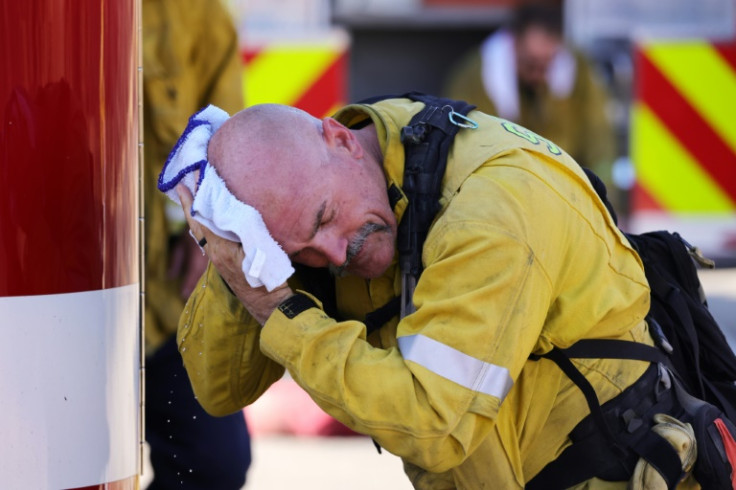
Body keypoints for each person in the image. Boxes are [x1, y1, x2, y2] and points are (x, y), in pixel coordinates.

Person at [172, 96, 695, 488]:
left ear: (342, 140)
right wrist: (235, 250)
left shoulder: (494, 211)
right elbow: (219, 388)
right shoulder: (317, 190)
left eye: (326, 218)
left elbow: (435, 426)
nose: (333, 254)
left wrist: (275, 306)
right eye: (297, 249)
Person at [142, 0, 251, 487]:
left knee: (211, 465)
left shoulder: (199, 11)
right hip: (46, 292)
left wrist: (205, 226)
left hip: (167, 289)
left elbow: (226, 128)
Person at [444, 4, 616, 192]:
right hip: (499, 191)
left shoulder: (578, 71)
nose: (537, 74)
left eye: (546, 65)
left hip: (565, 191)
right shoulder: (477, 76)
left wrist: (605, 201)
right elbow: (460, 147)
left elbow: (599, 143)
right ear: (513, 43)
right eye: (530, 63)